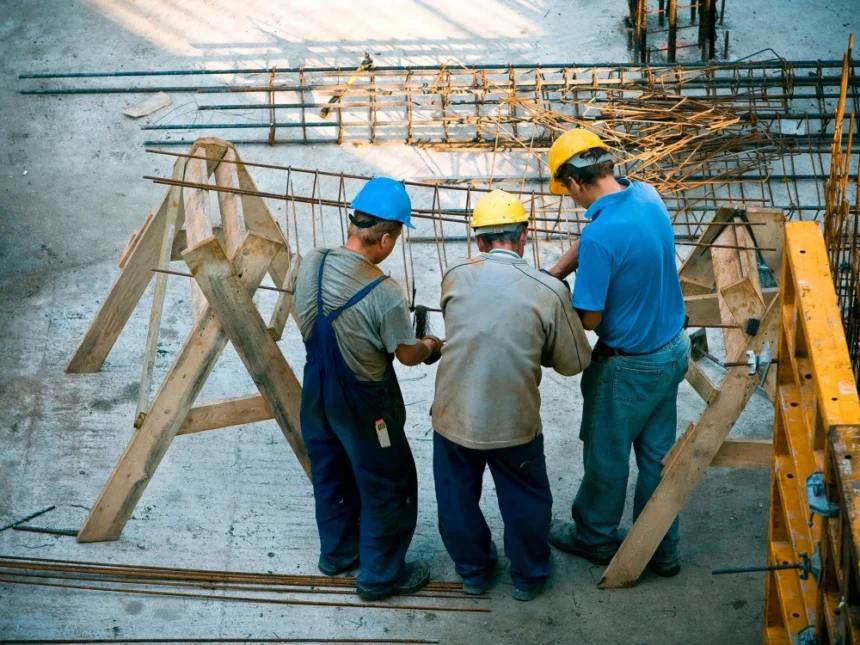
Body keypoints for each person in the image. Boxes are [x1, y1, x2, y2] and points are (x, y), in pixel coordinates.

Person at [430, 189, 592, 601]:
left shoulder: (454, 276)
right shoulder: (547, 290)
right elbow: (573, 362)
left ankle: (474, 572)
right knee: (524, 497)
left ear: (478, 242)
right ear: (524, 236)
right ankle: (529, 575)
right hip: (513, 421)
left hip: (453, 415)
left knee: (456, 497)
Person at [545, 128, 690, 577]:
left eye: (565, 190)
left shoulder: (601, 237)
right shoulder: (646, 195)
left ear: (573, 181)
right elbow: (593, 241)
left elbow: (588, 318)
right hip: (671, 349)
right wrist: (554, 270)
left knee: (606, 456)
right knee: (657, 456)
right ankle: (662, 549)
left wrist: (553, 295)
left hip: (628, 367)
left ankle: (593, 537)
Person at [294, 177, 443, 600]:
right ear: (386, 237)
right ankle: (380, 576)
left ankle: (338, 554)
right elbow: (406, 355)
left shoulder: (311, 261)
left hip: (316, 392)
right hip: (362, 404)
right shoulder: (385, 291)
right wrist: (432, 345)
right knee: (387, 483)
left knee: (330, 472)